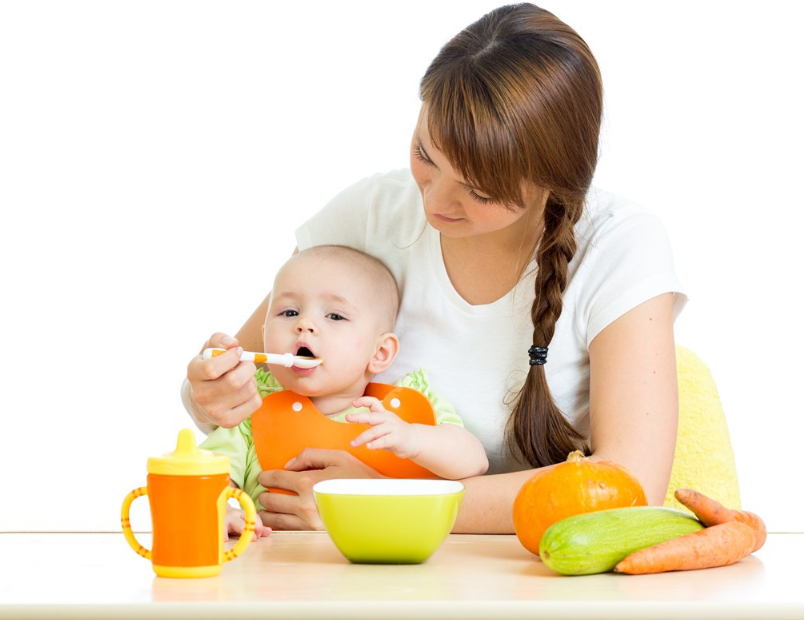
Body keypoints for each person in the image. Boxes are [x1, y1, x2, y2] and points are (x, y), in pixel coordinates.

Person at [182, 3, 685, 533]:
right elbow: (244, 391)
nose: (434, 203)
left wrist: (385, 503)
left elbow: (630, 483)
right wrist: (209, 390)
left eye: (479, 189)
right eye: (426, 153)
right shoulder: (370, 213)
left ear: (554, 182)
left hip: (532, 570)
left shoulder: (619, 244)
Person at [195, 244, 488, 538]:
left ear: (380, 352)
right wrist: (220, 509)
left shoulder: (404, 408)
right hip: (275, 571)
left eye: (335, 316)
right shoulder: (253, 408)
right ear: (263, 336)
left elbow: (474, 461)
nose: (304, 324)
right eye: (289, 312)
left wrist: (413, 438)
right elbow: (208, 475)